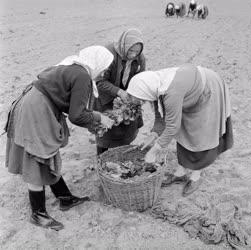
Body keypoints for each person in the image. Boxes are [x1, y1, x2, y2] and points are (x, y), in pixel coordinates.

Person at [4, 46, 114, 231]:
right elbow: (76, 116)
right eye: (104, 67)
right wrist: (99, 117)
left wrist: (93, 118)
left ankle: (64, 197)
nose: (103, 71)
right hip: (36, 109)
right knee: (36, 155)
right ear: (97, 62)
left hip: (35, 102)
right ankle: (37, 213)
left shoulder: (72, 65)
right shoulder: (83, 76)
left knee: (48, 152)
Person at [127, 64, 233, 196]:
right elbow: (161, 118)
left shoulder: (171, 93)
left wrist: (153, 152)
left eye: (142, 100)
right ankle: (181, 172)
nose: (142, 102)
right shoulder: (155, 87)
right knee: (184, 131)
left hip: (208, 88)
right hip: (188, 90)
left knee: (201, 134)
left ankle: (196, 176)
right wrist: (154, 135)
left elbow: (172, 127)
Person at [94, 28, 146, 155]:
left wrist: (135, 95)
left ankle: (122, 152)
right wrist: (119, 92)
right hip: (105, 97)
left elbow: (141, 78)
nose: (133, 55)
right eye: (131, 50)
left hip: (127, 96)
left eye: (137, 52)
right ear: (124, 45)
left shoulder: (139, 58)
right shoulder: (108, 55)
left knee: (127, 125)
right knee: (105, 129)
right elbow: (99, 81)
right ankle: (102, 156)